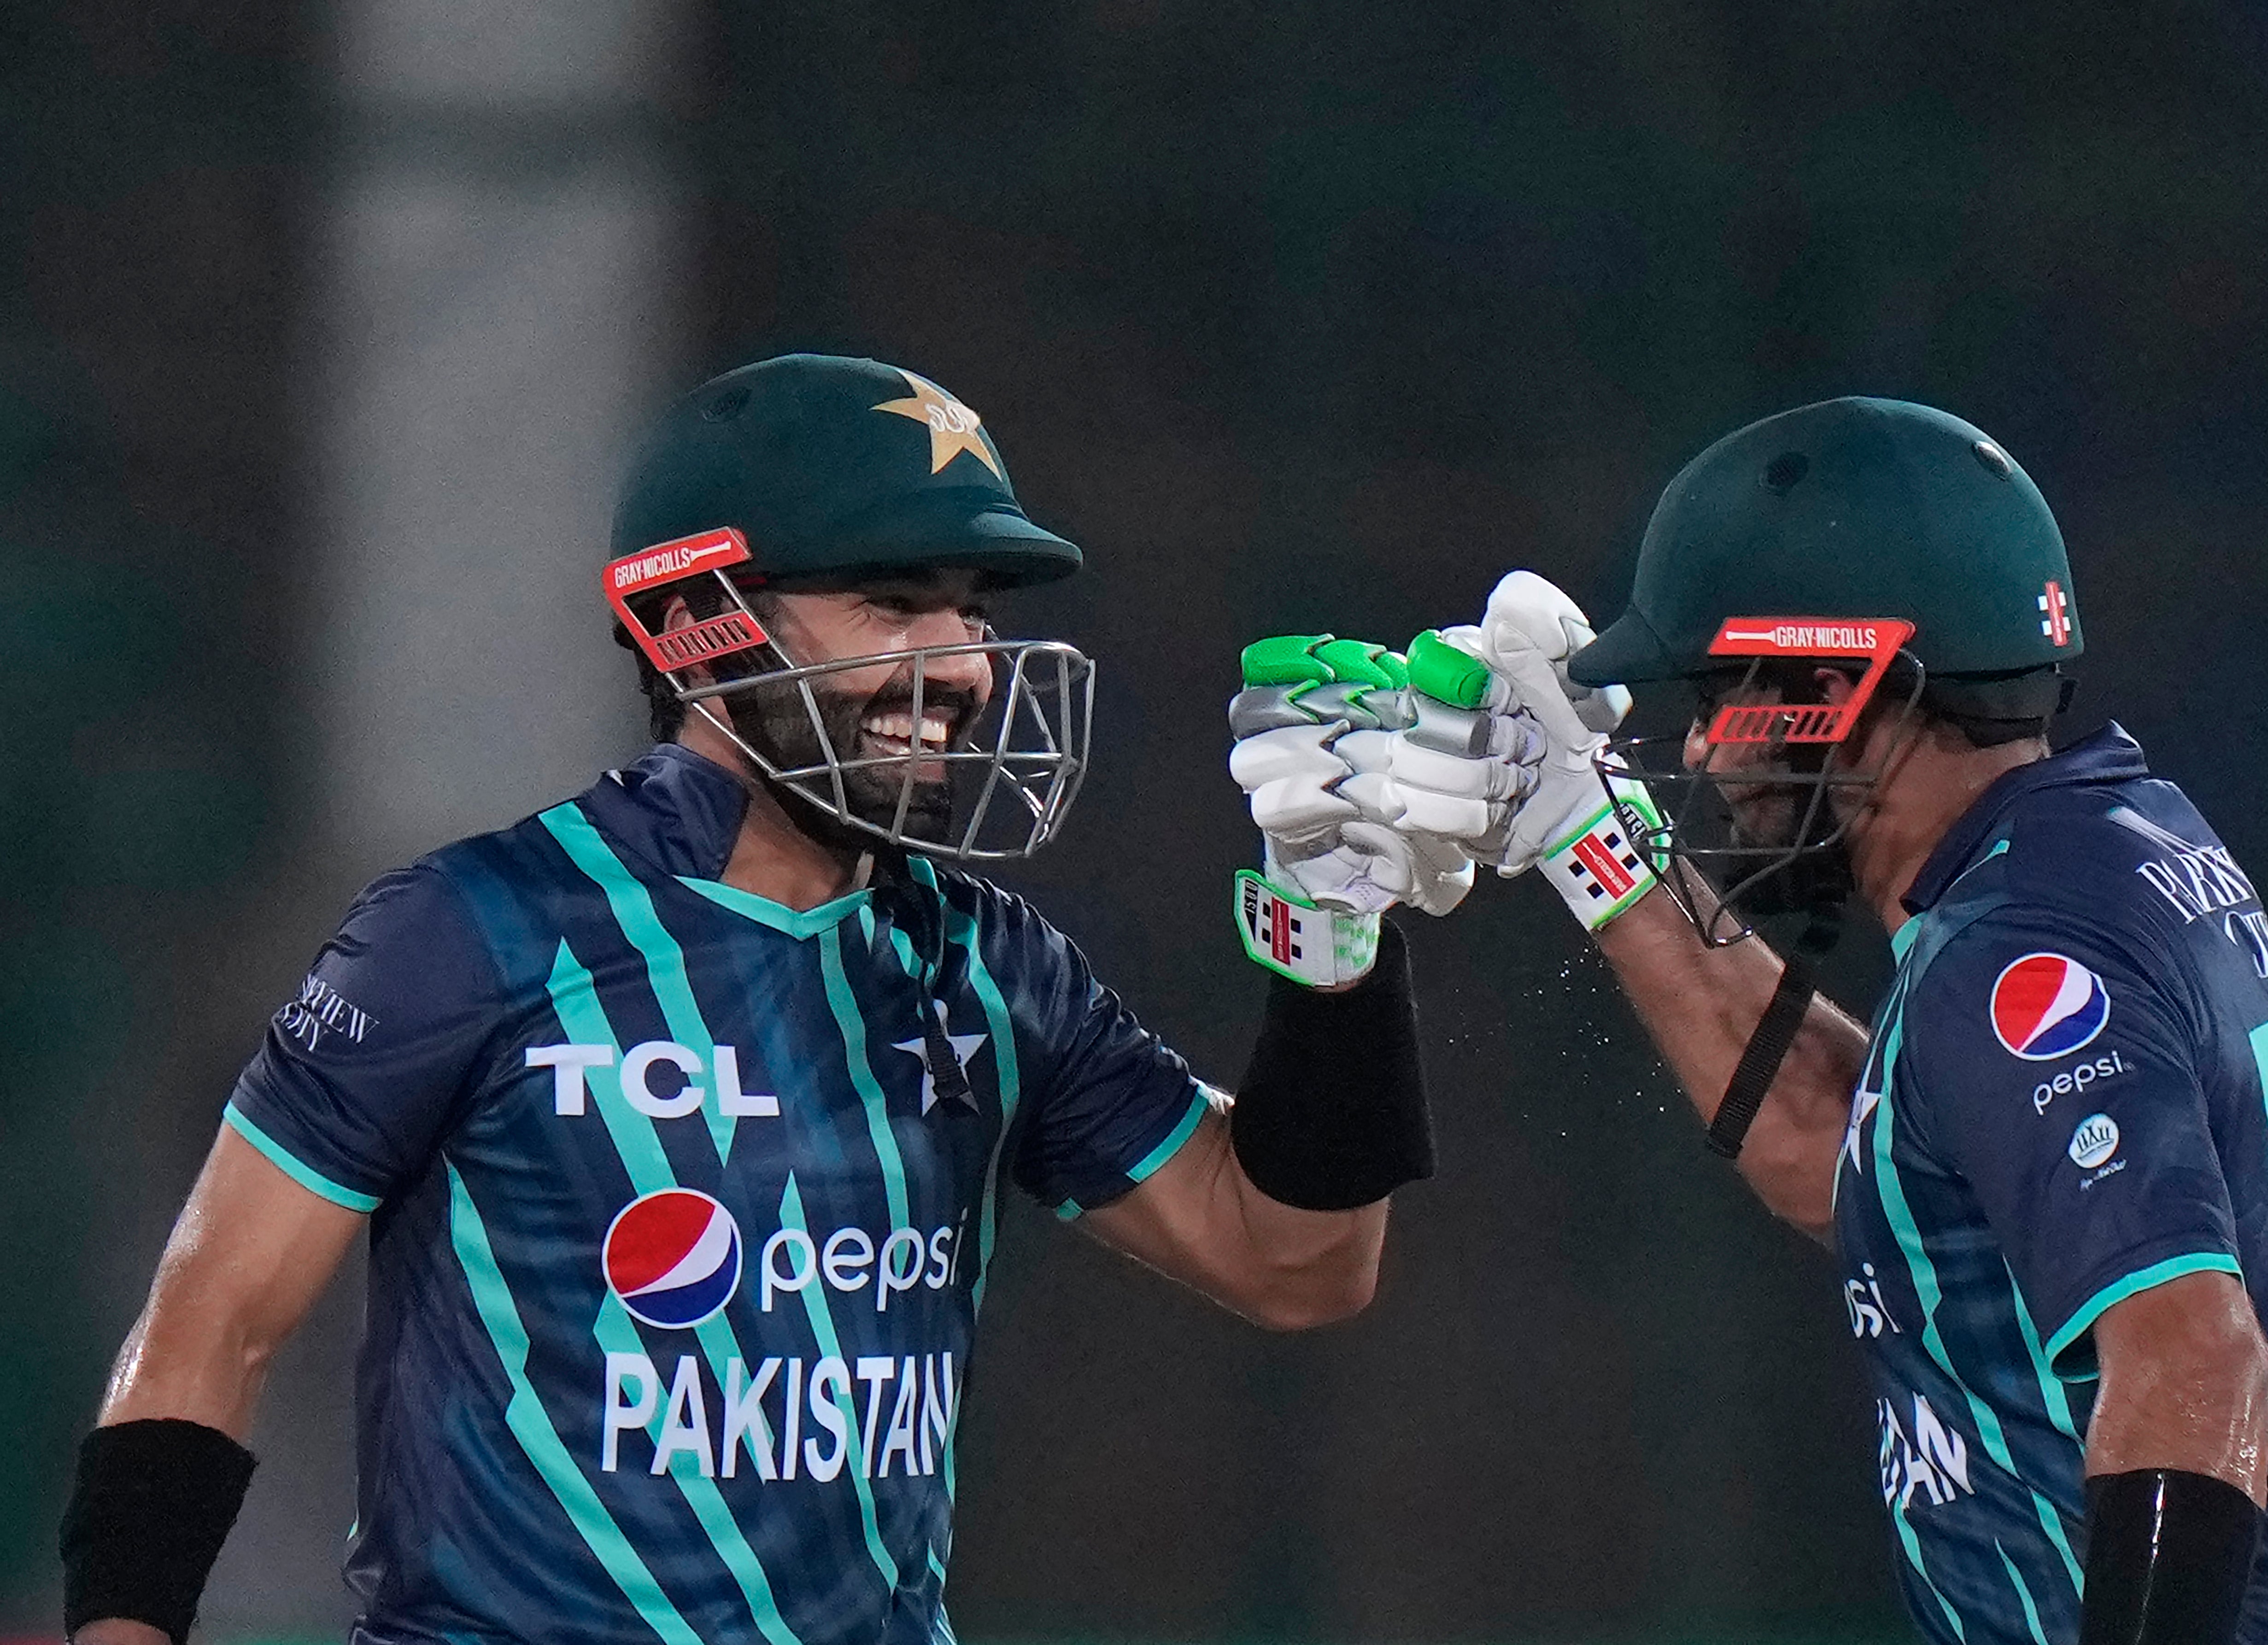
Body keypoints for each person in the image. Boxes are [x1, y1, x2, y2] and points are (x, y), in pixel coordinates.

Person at [61, 354, 1441, 1645]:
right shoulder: (466, 933)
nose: (960, 664)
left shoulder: (988, 963)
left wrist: (1334, 942)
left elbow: (1296, 1262)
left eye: (971, 609)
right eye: (894, 604)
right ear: (698, 624)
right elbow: (211, 1321)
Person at [1237, 398, 2268, 1644]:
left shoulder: (2018, 944)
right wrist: (1585, 839)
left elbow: (2195, 1359)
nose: (1700, 744)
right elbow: (1857, 1154)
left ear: (1846, 677)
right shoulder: (2096, 852)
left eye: (1721, 690)